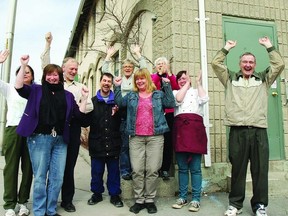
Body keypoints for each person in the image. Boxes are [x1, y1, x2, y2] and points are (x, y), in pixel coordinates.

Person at [211, 37, 285, 216]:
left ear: (255, 64)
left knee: (260, 170)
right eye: (245, 61)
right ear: (239, 63)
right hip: (237, 130)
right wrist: (226, 48)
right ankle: (235, 205)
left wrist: (268, 47)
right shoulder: (229, 78)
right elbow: (215, 63)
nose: (248, 64)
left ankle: (260, 205)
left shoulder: (263, 79)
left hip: (259, 131)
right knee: (238, 170)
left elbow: (279, 64)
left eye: (251, 62)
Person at [15, 55, 90, 216]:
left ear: (60, 76)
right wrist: (23, 65)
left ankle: (50, 210)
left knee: (57, 178)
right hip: (40, 138)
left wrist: (84, 98)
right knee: (41, 177)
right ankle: (40, 211)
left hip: (61, 141)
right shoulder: (36, 90)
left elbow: (80, 115)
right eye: (49, 74)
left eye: (55, 74)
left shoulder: (68, 96)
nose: (52, 77)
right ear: (45, 76)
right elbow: (19, 87)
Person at [41, 32, 94, 213]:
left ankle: (67, 200)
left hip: (71, 130)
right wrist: (48, 45)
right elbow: (46, 66)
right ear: (63, 68)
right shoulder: (54, 82)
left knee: (68, 166)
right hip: (52, 129)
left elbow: (88, 109)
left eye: (75, 69)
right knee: (50, 166)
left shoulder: (81, 87)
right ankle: (50, 200)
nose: (74, 71)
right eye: (70, 68)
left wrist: (83, 102)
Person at [114, 68, 175, 214]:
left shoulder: (158, 95)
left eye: (143, 78)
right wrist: (116, 87)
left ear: (148, 79)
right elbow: (119, 103)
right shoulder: (131, 96)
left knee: (153, 169)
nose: (140, 81)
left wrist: (167, 85)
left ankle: (150, 200)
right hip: (136, 137)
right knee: (137, 170)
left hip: (155, 137)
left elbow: (171, 103)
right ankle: (139, 200)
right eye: (137, 79)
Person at [102, 44, 147, 180]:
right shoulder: (118, 79)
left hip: (136, 114)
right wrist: (109, 56)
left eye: (130, 67)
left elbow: (144, 69)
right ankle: (125, 171)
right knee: (124, 145)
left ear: (133, 69)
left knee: (137, 145)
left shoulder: (136, 79)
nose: (127, 69)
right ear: (122, 69)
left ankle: (137, 170)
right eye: (125, 67)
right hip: (121, 114)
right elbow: (105, 70)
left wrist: (138, 54)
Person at [0, 50, 33, 216]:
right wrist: (0, 62)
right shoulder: (10, 89)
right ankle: (10, 205)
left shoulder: (36, 91)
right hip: (13, 129)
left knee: (28, 168)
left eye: (28, 72)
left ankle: (23, 203)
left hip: (31, 132)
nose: (26, 73)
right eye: (23, 71)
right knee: (11, 168)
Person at [171, 70, 209, 212]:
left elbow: (204, 99)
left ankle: (196, 199)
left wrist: (198, 83)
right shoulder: (175, 92)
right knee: (182, 168)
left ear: (190, 79)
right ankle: (182, 197)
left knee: (195, 168)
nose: (182, 80)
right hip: (181, 130)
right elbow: (179, 100)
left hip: (195, 131)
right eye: (180, 79)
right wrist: (186, 84)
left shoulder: (196, 91)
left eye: (185, 78)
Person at [86, 72, 124, 208]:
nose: (106, 83)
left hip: (113, 143)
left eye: (109, 81)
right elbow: (85, 121)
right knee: (96, 172)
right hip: (97, 143)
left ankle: (114, 195)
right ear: (100, 82)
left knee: (114, 172)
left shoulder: (117, 102)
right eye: (104, 80)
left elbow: (124, 117)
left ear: (112, 84)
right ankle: (97, 194)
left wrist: (119, 110)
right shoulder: (92, 101)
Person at [151, 57, 179, 180]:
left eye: (163, 64)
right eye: (158, 64)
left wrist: (169, 73)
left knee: (168, 142)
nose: (160, 65)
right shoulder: (153, 76)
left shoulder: (170, 77)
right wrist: (159, 74)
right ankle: (154, 168)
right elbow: (152, 85)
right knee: (155, 142)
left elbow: (176, 88)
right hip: (156, 113)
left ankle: (165, 169)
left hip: (168, 113)